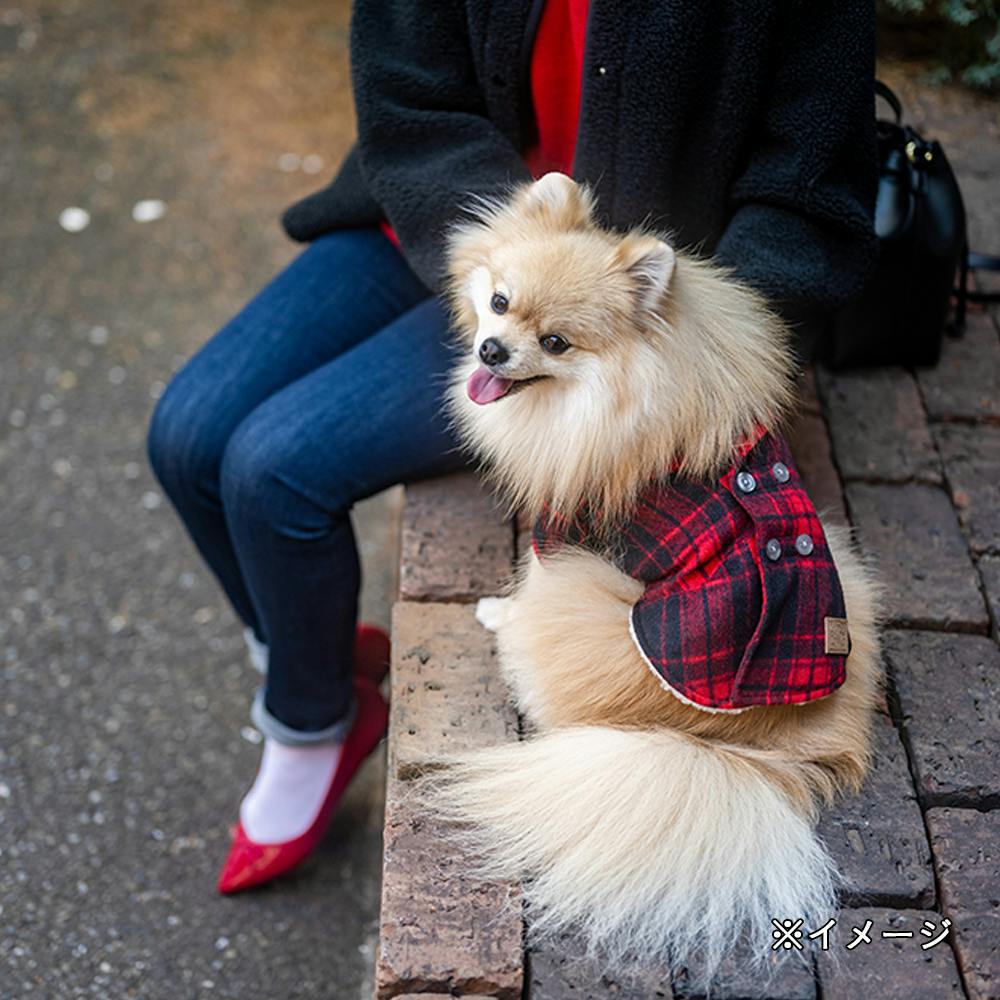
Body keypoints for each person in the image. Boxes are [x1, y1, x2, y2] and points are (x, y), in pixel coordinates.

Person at [146, 0, 878, 893]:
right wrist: (508, 257)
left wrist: (706, 363)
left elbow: (808, 180)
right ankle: (319, 658)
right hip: (455, 230)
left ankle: (311, 724)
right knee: (185, 437)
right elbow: (409, 102)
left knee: (271, 471)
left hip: (625, 315)